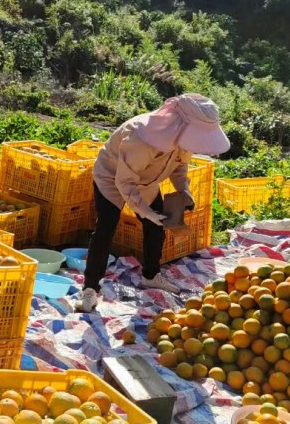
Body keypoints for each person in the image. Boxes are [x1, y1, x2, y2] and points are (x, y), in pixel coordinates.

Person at [74, 94, 230, 312]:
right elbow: (125, 181)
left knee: (157, 225)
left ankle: (151, 275)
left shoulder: (182, 138)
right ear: (180, 122)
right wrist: (144, 211)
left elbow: (179, 166)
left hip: (146, 181)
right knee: (106, 227)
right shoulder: (141, 138)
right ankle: (90, 288)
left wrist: (183, 190)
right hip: (112, 176)